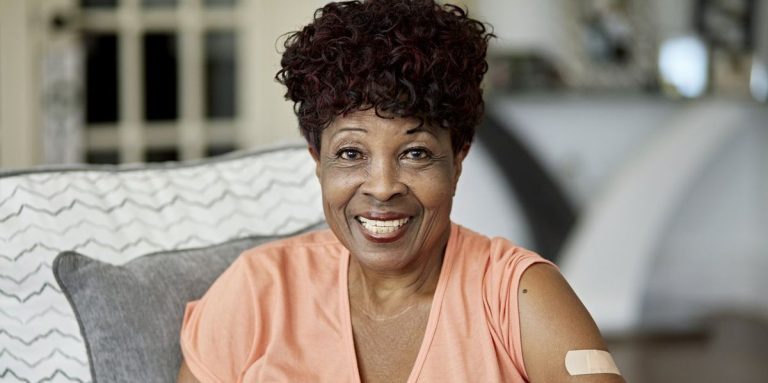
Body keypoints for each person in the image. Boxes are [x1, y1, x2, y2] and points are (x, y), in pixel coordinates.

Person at [177, 0, 625, 382]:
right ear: (317, 161)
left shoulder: (520, 298)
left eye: (415, 153)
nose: (383, 187)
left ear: (459, 158)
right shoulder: (256, 293)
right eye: (351, 154)